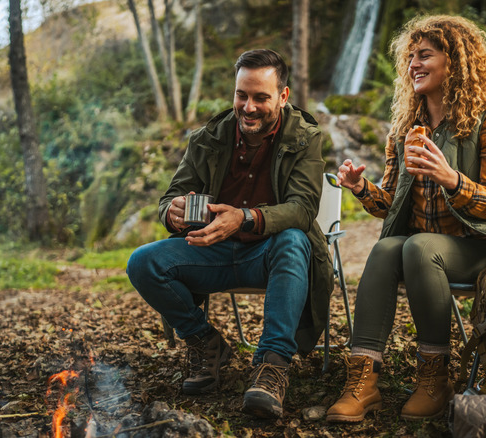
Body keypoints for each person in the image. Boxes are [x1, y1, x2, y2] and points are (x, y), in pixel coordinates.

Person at [325, 15, 486, 422]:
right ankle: (362, 381)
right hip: (425, 248)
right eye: (410, 57)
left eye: (425, 55)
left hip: (482, 247)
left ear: (454, 62)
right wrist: (361, 189)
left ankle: (435, 379)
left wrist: (451, 178)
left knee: (420, 245)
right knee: (386, 249)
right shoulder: (406, 130)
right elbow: (391, 207)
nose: (413, 64)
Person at [126, 49, 332, 419]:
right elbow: (171, 197)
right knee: (142, 262)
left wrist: (244, 217)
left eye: (260, 97)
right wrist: (171, 214)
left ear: (282, 97)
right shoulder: (207, 138)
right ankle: (206, 344)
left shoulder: (305, 138)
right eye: (242, 95)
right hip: (212, 252)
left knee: (294, 239)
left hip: (268, 255)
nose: (248, 107)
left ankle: (271, 366)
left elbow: (303, 209)